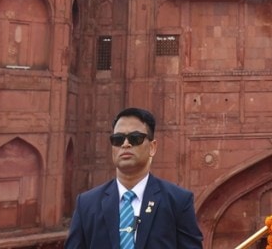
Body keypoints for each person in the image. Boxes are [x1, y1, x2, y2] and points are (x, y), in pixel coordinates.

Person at [66, 107, 203, 249]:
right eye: (118, 139)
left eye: (135, 138)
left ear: (152, 147)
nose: (126, 144)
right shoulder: (87, 204)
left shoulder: (177, 202)